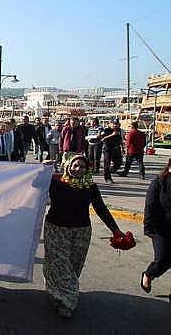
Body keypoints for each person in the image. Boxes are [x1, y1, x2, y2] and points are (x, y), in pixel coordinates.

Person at [43, 155, 125, 318]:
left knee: (73, 265)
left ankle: (58, 288)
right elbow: (33, 185)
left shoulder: (90, 187)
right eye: (75, 165)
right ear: (68, 166)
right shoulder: (56, 182)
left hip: (81, 231)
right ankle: (67, 302)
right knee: (59, 264)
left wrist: (115, 230)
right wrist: (42, 168)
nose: (78, 169)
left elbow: (101, 209)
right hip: (56, 229)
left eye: (82, 167)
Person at [141, 158, 171, 302]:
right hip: (161, 228)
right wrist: (148, 227)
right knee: (162, 259)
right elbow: (150, 206)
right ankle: (148, 274)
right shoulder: (159, 183)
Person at [101, 119, 124, 184]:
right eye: (114, 124)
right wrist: (112, 135)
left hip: (117, 149)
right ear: (110, 124)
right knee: (107, 164)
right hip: (108, 149)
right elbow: (102, 139)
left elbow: (120, 140)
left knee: (118, 163)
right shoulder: (106, 130)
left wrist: (122, 148)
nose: (115, 125)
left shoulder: (120, 131)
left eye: (116, 124)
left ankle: (109, 171)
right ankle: (107, 177)